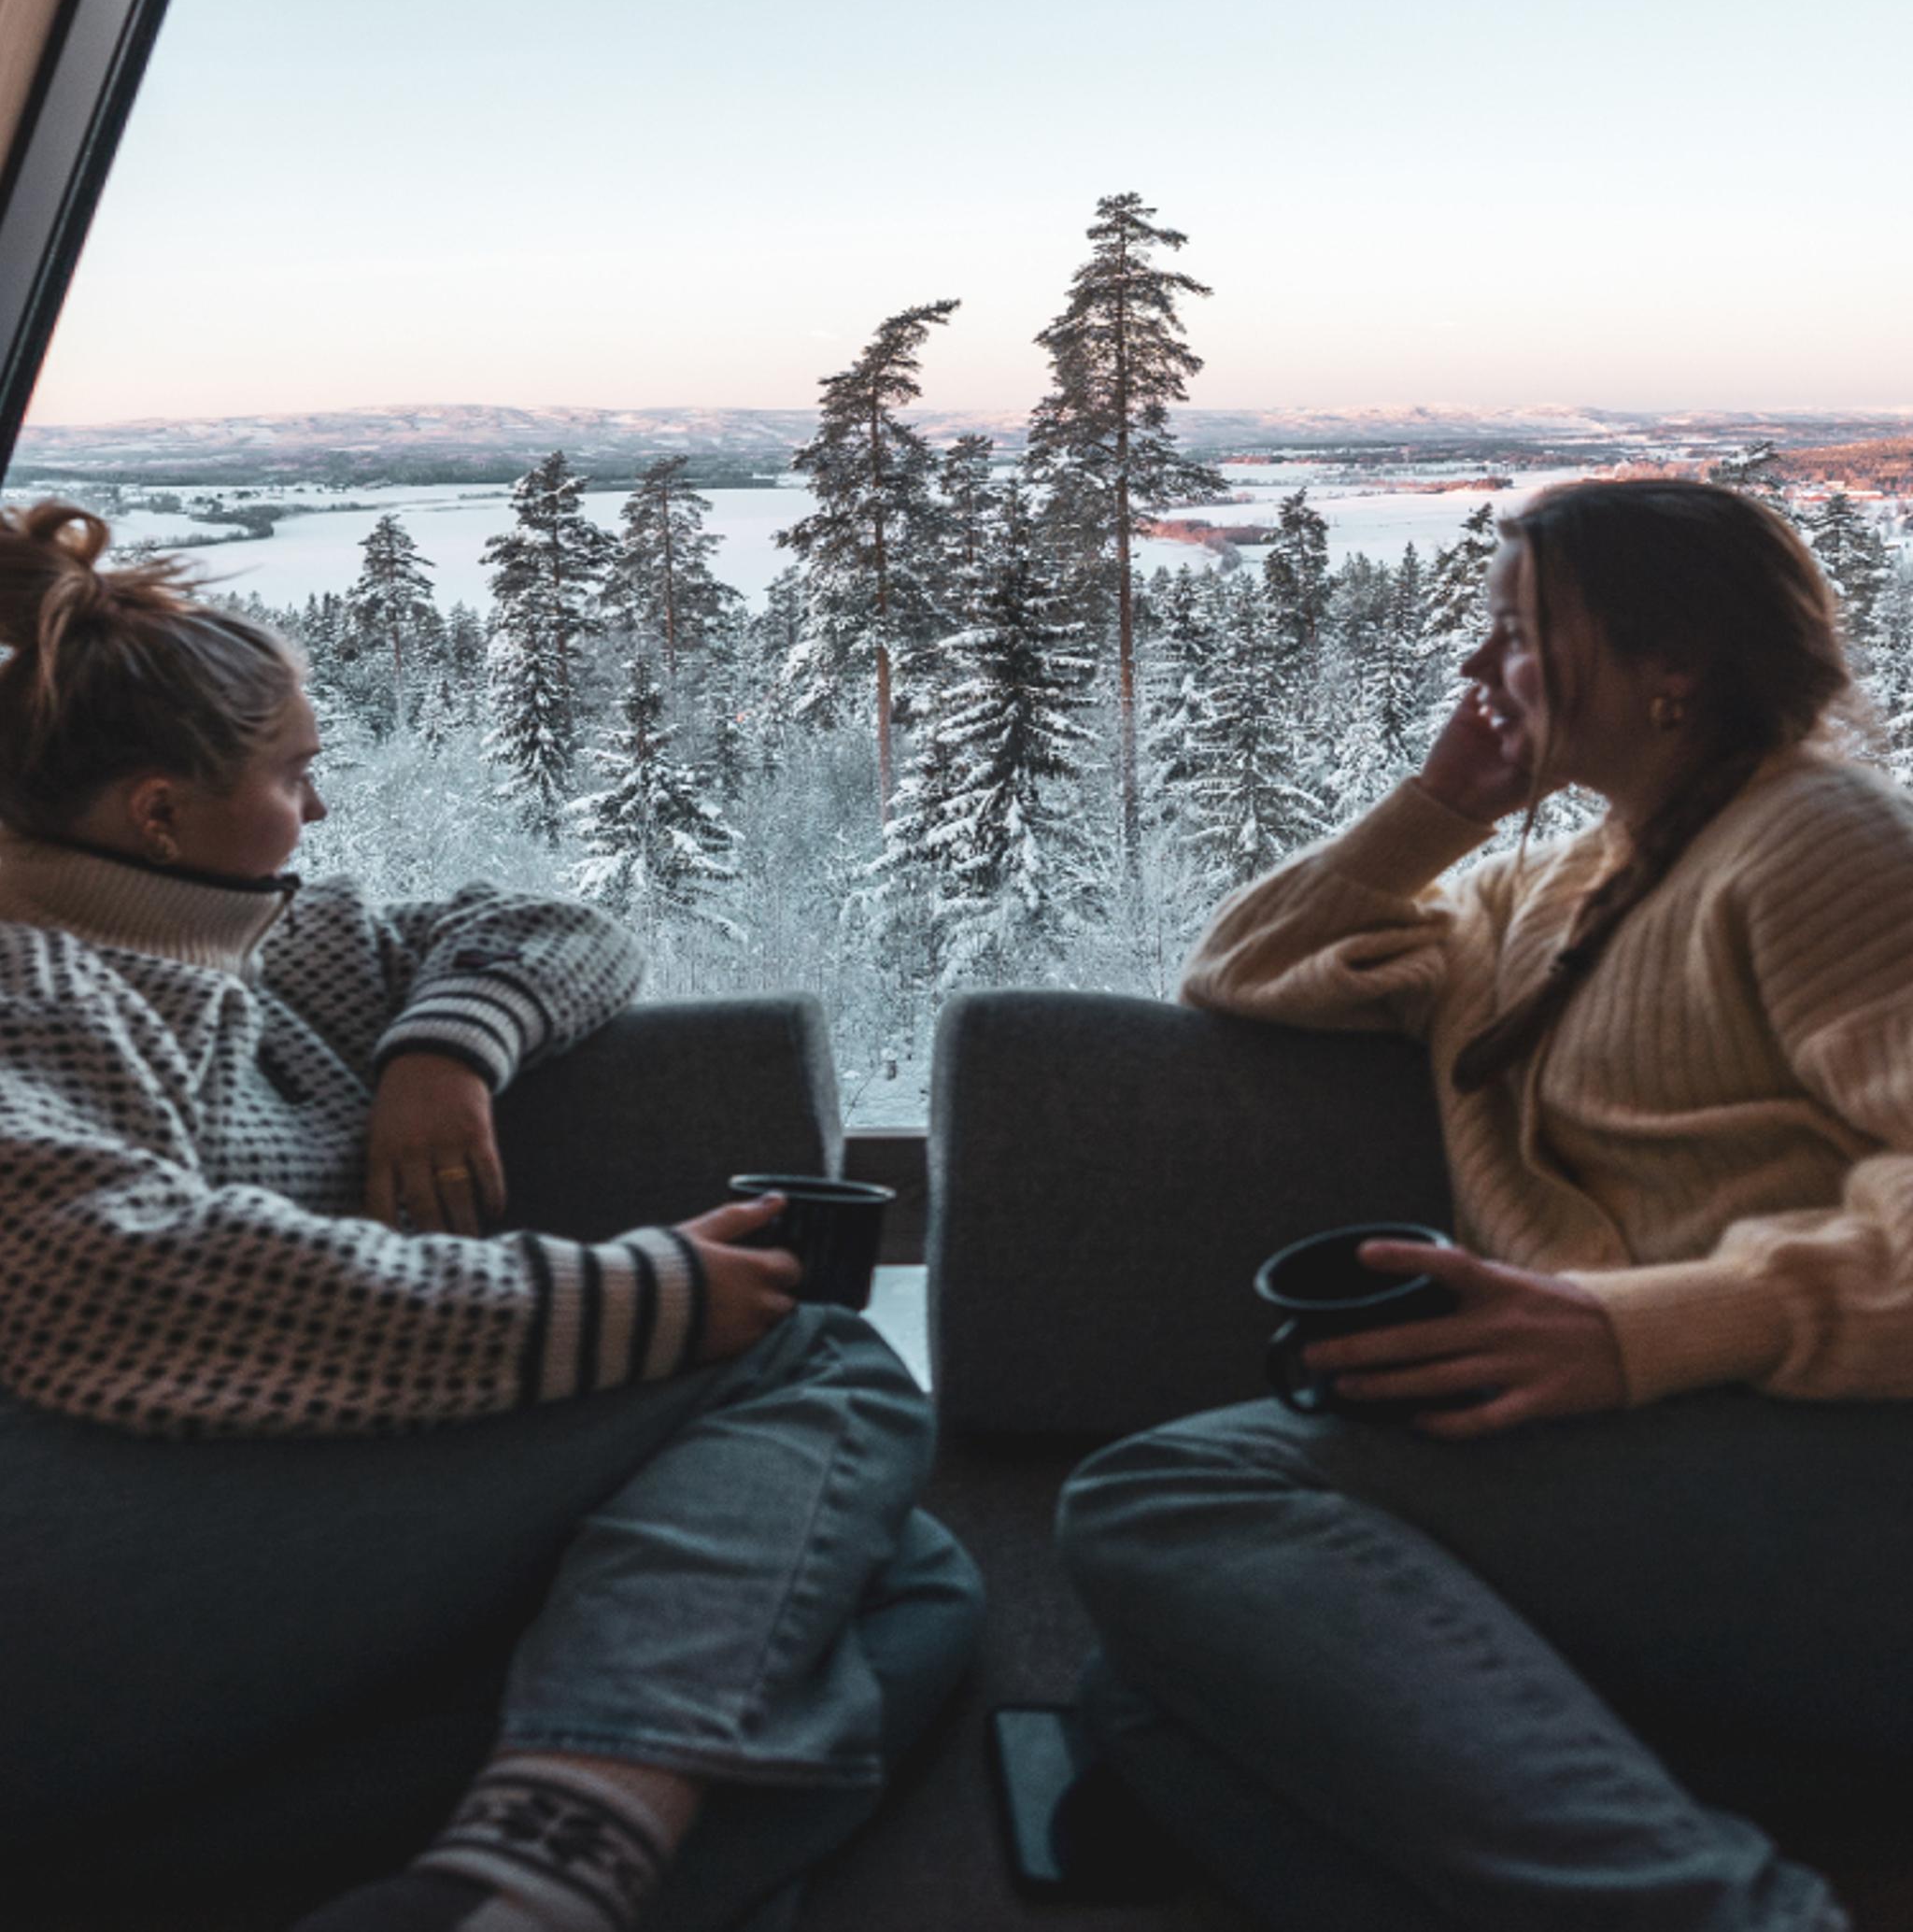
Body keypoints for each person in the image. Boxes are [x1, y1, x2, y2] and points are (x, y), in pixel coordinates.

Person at [0, 502, 980, 1932]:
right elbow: (100, 1280)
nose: (318, 811)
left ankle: (467, 1874)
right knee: (803, 1364)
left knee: (913, 1590)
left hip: (278, 1521)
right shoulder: (32, 986)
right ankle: (554, 1867)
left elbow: (565, 930)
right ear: (159, 808)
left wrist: (443, 1049)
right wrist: (638, 1300)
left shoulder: (278, 946)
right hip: (72, 1568)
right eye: (295, 773)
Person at [1057, 477, 1913, 1932]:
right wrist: (1440, 806)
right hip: (1644, 1474)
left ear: (1673, 669)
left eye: (1518, 634)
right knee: (1147, 1705)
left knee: (1165, 1496)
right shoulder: (1553, 885)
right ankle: (1710, 1821)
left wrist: (1628, 1330)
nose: (1477, 670)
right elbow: (1243, 965)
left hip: (1837, 1467)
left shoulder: (1819, 841)